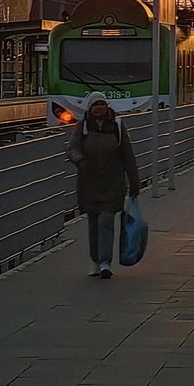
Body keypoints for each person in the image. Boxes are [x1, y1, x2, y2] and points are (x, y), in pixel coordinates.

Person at [66, 92, 139, 280]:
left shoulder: (117, 127)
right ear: (90, 108)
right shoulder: (82, 127)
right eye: (95, 104)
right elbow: (72, 149)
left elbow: (128, 156)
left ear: (107, 106)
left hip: (113, 182)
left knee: (106, 221)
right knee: (93, 223)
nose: (99, 107)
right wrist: (80, 160)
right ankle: (95, 260)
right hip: (89, 183)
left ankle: (105, 262)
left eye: (102, 104)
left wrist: (134, 181)